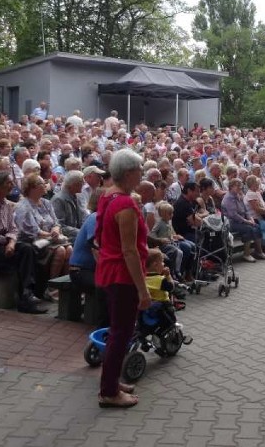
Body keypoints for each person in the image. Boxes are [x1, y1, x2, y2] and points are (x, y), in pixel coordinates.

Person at [95, 148, 150, 409]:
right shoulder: (125, 204)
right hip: (122, 275)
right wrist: (143, 291)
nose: (142, 173)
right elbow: (129, 251)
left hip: (110, 269)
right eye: (140, 169)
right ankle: (108, 391)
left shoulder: (108, 195)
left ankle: (112, 381)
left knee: (118, 329)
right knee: (121, 333)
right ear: (129, 173)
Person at [0, 171, 46, 314]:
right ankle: (27, 297)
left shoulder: (6, 205)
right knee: (24, 257)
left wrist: (11, 243)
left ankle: (27, 295)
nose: (12, 185)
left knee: (28, 250)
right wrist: (8, 242)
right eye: (8, 183)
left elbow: (13, 228)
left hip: (3, 243)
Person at [15, 174, 71, 298]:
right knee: (61, 250)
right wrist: (52, 234)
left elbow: (56, 222)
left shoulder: (46, 202)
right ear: (33, 188)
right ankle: (50, 288)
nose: (46, 185)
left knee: (70, 249)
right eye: (42, 183)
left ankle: (64, 287)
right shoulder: (24, 207)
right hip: (33, 242)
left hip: (50, 239)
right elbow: (34, 232)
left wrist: (56, 230)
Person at [222, 178, 265, 263]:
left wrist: (250, 218)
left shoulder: (238, 195)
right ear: (231, 187)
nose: (240, 187)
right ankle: (246, 254)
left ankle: (259, 251)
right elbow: (233, 215)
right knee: (248, 229)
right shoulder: (228, 198)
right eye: (237, 186)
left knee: (256, 226)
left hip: (242, 219)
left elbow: (245, 210)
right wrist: (246, 221)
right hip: (231, 222)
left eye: (240, 186)